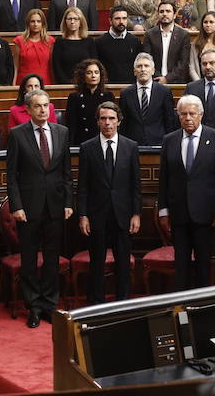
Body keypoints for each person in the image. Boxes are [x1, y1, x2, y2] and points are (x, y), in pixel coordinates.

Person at [6, 88, 72, 327]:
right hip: (28, 207)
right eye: (38, 106)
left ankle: (49, 304)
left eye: (46, 105)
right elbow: (11, 175)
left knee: (53, 258)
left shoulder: (62, 132)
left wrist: (68, 202)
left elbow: (66, 173)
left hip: (55, 206)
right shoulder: (16, 134)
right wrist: (17, 205)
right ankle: (33, 306)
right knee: (30, 259)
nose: (43, 110)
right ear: (29, 110)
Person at [159, 94, 215, 289]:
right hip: (178, 213)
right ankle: (182, 307)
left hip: (205, 214)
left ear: (201, 115)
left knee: (203, 264)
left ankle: (202, 308)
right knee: (181, 264)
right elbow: (164, 178)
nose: (187, 118)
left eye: (192, 114)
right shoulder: (169, 140)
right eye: (183, 114)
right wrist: (163, 211)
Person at [77, 101, 140, 303]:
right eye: (103, 119)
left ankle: (123, 302)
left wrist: (136, 214)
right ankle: (96, 304)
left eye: (112, 118)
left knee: (123, 262)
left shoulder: (131, 147)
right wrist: (83, 215)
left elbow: (135, 185)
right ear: (97, 122)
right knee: (97, 262)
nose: (107, 123)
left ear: (119, 121)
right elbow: (83, 186)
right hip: (97, 214)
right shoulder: (87, 148)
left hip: (123, 214)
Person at [119, 53, 176, 146]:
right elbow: (123, 123)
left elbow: (169, 122)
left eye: (146, 66)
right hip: (132, 144)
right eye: (139, 66)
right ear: (134, 71)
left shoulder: (164, 92)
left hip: (159, 143)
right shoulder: (126, 93)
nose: (143, 69)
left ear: (153, 71)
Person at [66, 59, 114, 146]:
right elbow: (71, 126)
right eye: (89, 73)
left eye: (96, 72)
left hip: (102, 141)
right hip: (81, 141)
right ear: (83, 76)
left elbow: (112, 123)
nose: (93, 76)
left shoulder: (108, 96)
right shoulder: (74, 97)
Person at [143, 0, 190, 84]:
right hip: (154, 80)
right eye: (161, 11)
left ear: (174, 15)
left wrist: (167, 79)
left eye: (168, 11)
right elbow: (147, 59)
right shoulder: (149, 34)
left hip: (177, 81)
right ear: (158, 15)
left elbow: (183, 62)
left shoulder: (183, 35)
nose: (164, 14)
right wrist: (158, 77)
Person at [95, 6, 141, 84]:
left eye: (124, 18)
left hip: (131, 85)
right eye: (117, 18)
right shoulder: (99, 42)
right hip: (107, 86)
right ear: (110, 21)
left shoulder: (135, 41)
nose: (121, 22)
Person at [52, 8, 96, 85]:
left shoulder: (89, 41)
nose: (72, 22)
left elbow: (94, 64)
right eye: (69, 19)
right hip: (64, 83)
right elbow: (56, 66)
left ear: (81, 21)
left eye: (75, 19)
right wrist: (65, 82)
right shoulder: (60, 41)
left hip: (86, 83)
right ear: (65, 21)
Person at [14, 9, 54, 86]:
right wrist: (13, 84)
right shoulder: (19, 41)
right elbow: (15, 66)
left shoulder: (50, 41)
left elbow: (52, 66)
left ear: (43, 24)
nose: (35, 24)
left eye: (38, 21)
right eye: (32, 21)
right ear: (28, 23)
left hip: (45, 82)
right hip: (24, 82)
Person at [189, 12, 215, 81]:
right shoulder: (196, 43)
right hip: (199, 82)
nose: (208, 25)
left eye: (211, 22)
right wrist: (199, 83)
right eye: (205, 22)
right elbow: (192, 67)